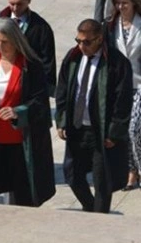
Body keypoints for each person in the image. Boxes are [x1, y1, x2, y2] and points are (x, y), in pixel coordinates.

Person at [0, 18, 56, 206]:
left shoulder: (31, 65)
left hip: (19, 135)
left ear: (15, 40)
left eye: (4, 42)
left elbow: (39, 101)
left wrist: (18, 112)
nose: (0, 46)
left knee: (21, 184)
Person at [56, 19, 133, 213]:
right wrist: (62, 120)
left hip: (101, 134)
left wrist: (114, 132)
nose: (81, 46)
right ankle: (91, 210)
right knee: (72, 174)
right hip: (78, 129)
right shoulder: (73, 58)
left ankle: (99, 218)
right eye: (78, 40)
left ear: (99, 39)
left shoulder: (116, 63)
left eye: (87, 42)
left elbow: (122, 101)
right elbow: (63, 91)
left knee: (102, 182)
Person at [103, 0, 141, 191]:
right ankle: (131, 172)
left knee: (134, 129)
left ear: (134, 2)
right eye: (118, 3)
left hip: (139, 84)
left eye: (125, 3)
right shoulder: (110, 26)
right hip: (119, 87)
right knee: (125, 130)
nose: (121, 6)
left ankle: (137, 169)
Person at [0, 0, 56, 96]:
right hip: (4, 79)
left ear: (29, 0)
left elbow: (48, 61)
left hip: (28, 83)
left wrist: (46, 88)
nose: (15, 8)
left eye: (19, 4)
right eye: (12, 4)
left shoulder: (41, 28)